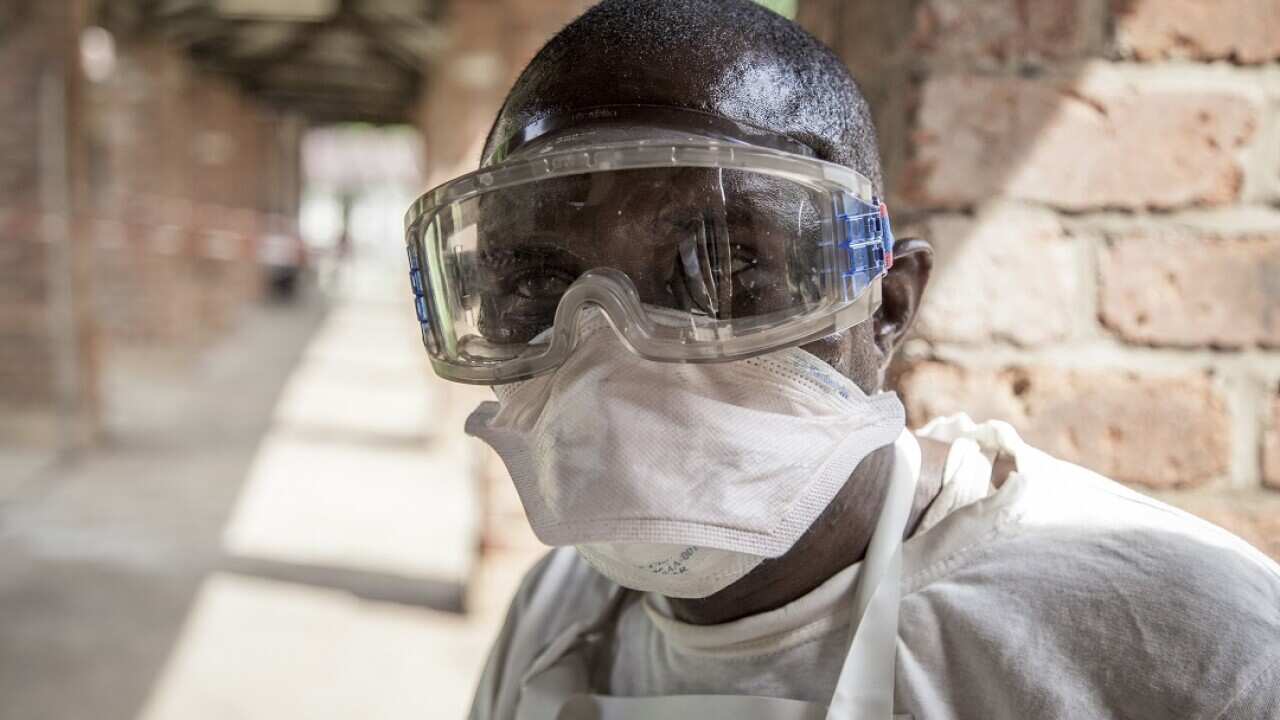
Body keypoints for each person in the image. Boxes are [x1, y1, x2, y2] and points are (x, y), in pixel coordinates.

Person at [401, 1, 1280, 717]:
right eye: (538, 278)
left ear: (888, 306)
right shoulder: (557, 613)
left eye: (728, 266)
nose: (612, 352)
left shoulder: (1183, 643)